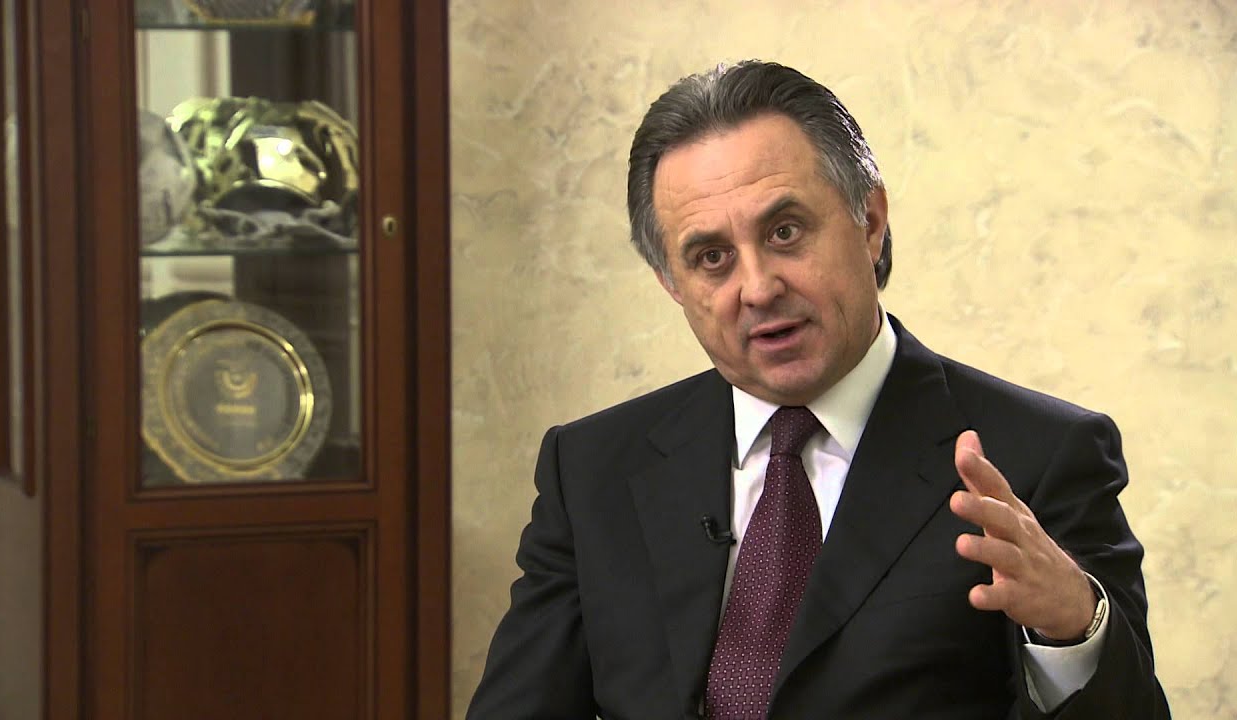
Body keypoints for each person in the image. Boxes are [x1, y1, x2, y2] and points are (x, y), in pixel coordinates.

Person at [468, 60, 1170, 719]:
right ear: (672, 283)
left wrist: (1072, 629)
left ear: (870, 222)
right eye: (711, 257)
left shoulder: (1037, 457)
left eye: (785, 231)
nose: (758, 288)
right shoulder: (591, 470)